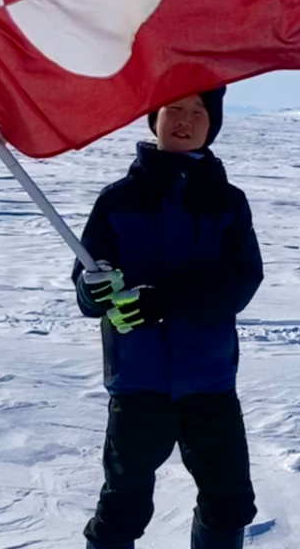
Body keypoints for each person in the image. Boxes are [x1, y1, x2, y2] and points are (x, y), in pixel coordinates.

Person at [73, 87, 264, 549]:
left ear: (211, 123)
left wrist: (168, 303)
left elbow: (242, 281)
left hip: (209, 381)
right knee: (123, 505)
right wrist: (91, 289)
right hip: (138, 381)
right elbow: (87, 283)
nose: (185, 119)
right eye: (174, 109)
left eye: (198, 111)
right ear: (154, 118)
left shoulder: (227, 202)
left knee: (227, 502)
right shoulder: (118, 200)